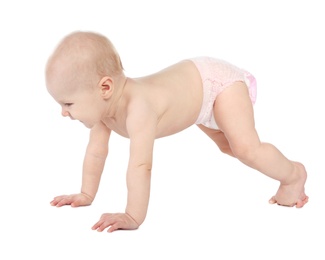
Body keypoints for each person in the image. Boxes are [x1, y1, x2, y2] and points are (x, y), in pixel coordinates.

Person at [46, 31, 308, 233]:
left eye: (68, 103)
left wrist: (133, 215)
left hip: (216, 84)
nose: (64, 112)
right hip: (196, 96)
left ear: (105, 88)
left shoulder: (139, 109)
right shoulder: (104, 113)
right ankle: (288, 173)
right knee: (228, 147)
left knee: (246, 149)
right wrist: (86, 194)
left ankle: (294, 176)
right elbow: (95, 154)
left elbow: (140, 165)